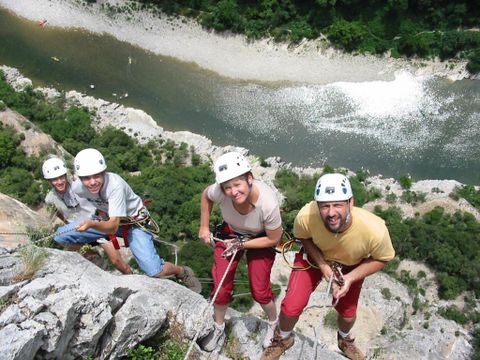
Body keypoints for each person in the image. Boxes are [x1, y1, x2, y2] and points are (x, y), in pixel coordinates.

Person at [261, 173, 395, 360]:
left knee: (348, 315)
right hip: (314, 258)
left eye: (337, 205)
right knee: (291, 307)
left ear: (351, 203)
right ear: (318, 206)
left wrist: (349, 278)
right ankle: (283, 338)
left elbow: (383, 258)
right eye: (324, 206)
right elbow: (304, 238)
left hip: (351, 266)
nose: (331, 212)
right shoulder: (306, 216)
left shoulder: (375, 230)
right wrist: (323, 266)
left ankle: (344, 339)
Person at [55, 148, 201, 293]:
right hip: (105, 220)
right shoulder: (78, 188)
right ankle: (93, 258)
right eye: (87, 178)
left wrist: (92, 224)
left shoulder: (114, 186)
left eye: (97, 176)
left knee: (154, 270)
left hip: (134, 224)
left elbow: (112, 227)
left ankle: (182, 272)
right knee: (61, 236)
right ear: (80, 178)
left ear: (104, 172)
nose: (92, 182)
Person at [198, 151, 283, 351]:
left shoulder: (268, 203)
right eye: (228, 187)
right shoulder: (220, 192)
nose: (233, 191)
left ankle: (273, 323)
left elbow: (274, 238)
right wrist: (204, 226)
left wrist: (242, 245)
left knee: (259, 289)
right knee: (221, 284)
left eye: (237, 184)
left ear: (249, 179)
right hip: (231, 232)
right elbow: (205, 195)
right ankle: (219, 327)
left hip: (260, 237)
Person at [43, 156, 132, 274]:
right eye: (54, 179)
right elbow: (62, 216)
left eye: (61, 177)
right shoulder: (50, 199)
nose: (59, 182)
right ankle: (94, 255)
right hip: (80, 230)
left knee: (117, 262)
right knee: (63, 240)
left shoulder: (79, 186)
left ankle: (131, 279)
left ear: (65, 175)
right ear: (49, 181)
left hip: (96, 224)